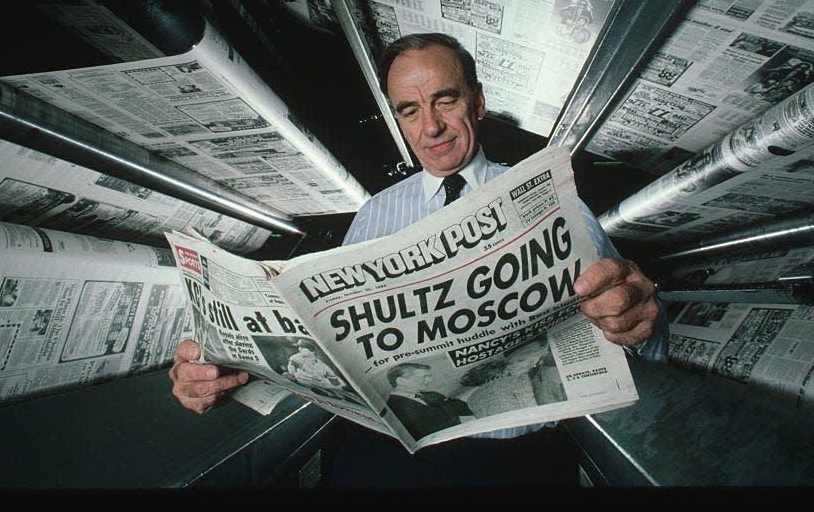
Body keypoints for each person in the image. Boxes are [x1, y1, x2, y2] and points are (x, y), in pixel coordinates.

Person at [168, 32, 668, 487]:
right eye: (409, 110)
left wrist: (642, 317)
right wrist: (221, 368)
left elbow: (640, 332)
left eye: (445, 100)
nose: (430, 127)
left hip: (513, 466)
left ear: (477, 104)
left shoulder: (554, 199)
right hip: (386, 459)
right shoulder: (373, 214)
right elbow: (329, 338)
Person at [385, 363, 474, 439]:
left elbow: (465, 408)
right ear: (401, 381)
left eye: (429, 376)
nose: (429, 380)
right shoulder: (392, 409)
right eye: (424, 377)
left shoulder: (433, 395)